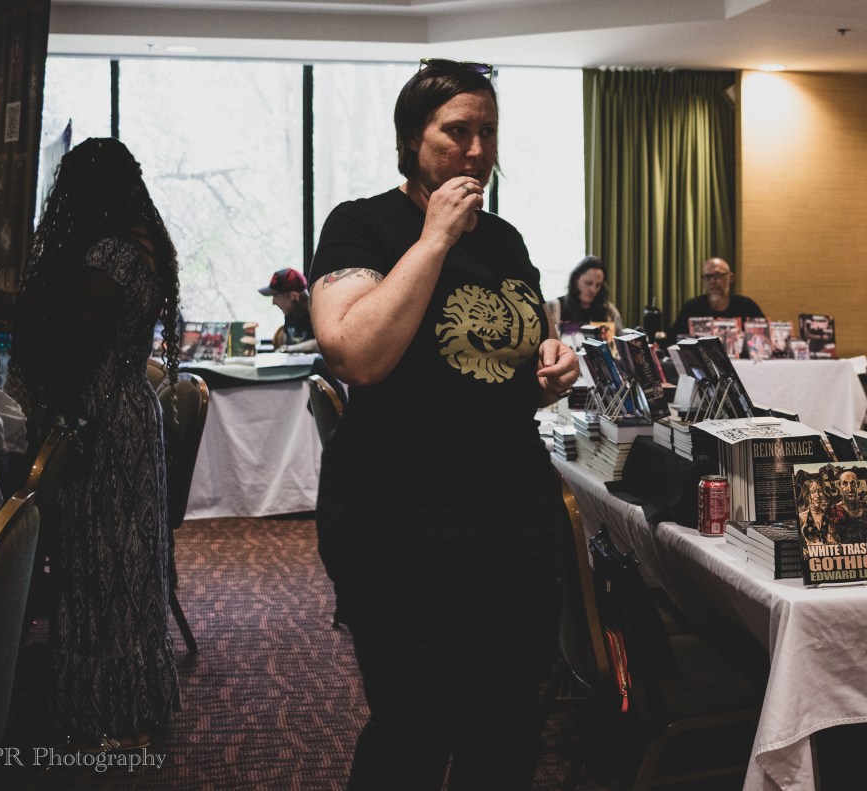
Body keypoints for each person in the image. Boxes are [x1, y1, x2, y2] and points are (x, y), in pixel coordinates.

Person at [308, 58, 579, 790]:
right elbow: (356, 356)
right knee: (417, 724)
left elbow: (508, 364)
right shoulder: (363, 224)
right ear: (411, 139)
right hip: (402, 518)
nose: (477, 150)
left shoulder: (506, 240)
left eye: (488, 132)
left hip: (514, 513)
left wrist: (551, 365)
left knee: (509, 722)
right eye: (457, 131)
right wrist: (433, 240)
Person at [6, 137, 180, 750]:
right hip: (130, 409)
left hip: (102, 420)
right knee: (127, 562)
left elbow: (79, 348)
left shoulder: (109, 255)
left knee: (101, 564)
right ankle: (134, 702)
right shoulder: (144, 243)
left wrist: (45, 399)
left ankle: (111, 712)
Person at [668, 257, 764, 343]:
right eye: (708, 277)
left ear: (731, 278)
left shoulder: (746, 306)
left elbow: (764, 339)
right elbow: (673, 341)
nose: (712, 281)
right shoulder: (692, 308)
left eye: (718, 276)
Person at [544, 255, 623, 337]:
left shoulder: (609, 312)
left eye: (598, 285)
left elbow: (619, 340)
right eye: (588, 283)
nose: (593, 290)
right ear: (576, 280)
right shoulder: (554, 307)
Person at [258, 267, 319, 353]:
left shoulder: (320, 314)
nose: (273, 302)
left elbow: (324, 344)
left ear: (294, 296)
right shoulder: (290, 314)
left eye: (276, 296)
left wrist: (289, 349)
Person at [797, 477, 828, 545]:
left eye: (819, 491)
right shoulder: (802, 517)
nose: (817, 495)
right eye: (813, 492)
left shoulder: (827, 515)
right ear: (806, 496)